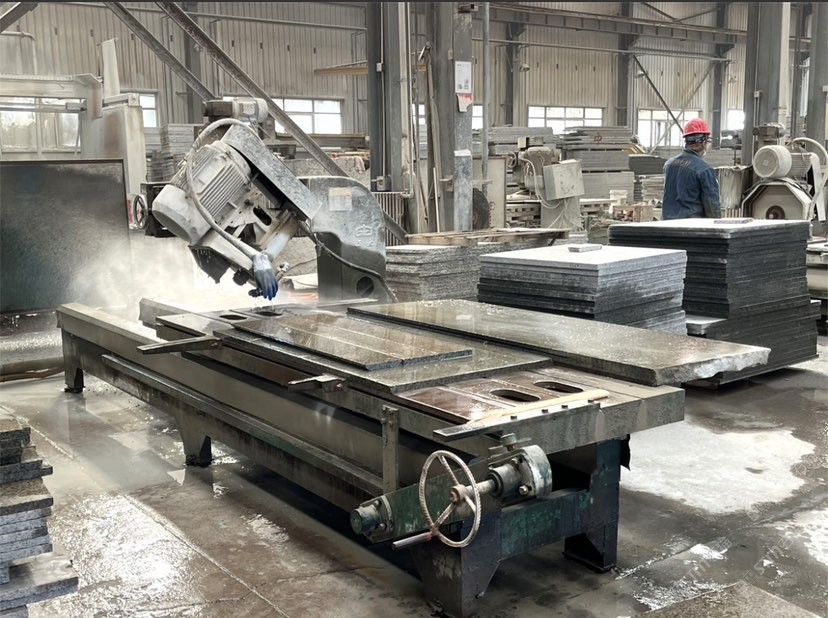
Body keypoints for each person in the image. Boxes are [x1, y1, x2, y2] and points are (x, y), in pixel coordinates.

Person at [661, 118, 721, 220]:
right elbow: (712, 206)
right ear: (703, 142)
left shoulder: (669, 164)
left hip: (667, 224)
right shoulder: (704, 170)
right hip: (692, 226)